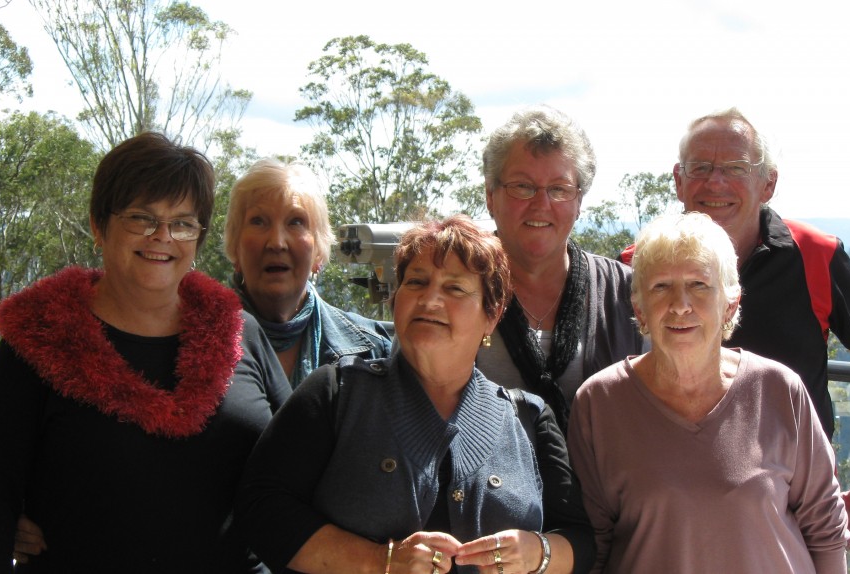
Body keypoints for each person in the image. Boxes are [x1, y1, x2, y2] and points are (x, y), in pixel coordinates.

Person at [0, 132, 291, 573]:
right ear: (99, 225)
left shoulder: (239, 332)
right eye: (141, 218)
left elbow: (300, 465)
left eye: (183, 223)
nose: (162, 237)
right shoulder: (39, 340)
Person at [237, 215, 595, 574]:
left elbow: (580, 540)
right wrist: (378, 561)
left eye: (454, 288)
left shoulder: (529, 418)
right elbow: (260, 508)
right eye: (416, 282)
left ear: (492, 315)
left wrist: (537, 552)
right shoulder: (335, 393)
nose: (430, 299)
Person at [658, 107, 850, 546]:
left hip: (798, 521)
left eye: (736, 168)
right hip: (674, 521)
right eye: (701, 168)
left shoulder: (815, 256)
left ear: (768, 184)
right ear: (679, 181)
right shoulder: (641, 267)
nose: (715, 182)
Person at [569, 212, 849, 573]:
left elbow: (826, 531)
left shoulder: (779, 390)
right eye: (661, 287)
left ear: (730, 304)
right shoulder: (600, 403)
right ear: (639, 308)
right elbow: (593, 545)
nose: (680, 304)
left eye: (699, 285)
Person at [477, 105, 645, 432]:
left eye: (559, 189)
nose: (541, 204)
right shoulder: (452, 288)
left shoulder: (628, 294)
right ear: (490, 196)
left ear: (579, 202)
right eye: (522, 186)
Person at [223, 158, 392, 389]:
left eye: (295, 222)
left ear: (318, 252)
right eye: (258, 221)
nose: (277, 243)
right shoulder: (193, 342)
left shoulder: (373, 351)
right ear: (235, 247)